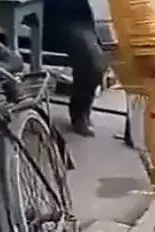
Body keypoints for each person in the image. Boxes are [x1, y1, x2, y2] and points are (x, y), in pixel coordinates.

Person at [42, 0, 106, 136]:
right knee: (92, 59)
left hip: (95, 17)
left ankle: (139, 125)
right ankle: (80, 113)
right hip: (61, 16)